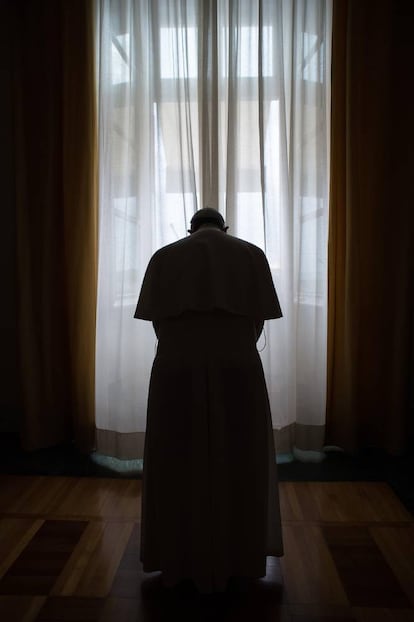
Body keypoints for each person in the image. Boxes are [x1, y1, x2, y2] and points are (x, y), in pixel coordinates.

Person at [134, 207, 284, 594]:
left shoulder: (164, 257)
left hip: (175, 367)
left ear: (191, 227)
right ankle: (239, 556)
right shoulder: (251, 254)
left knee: (177, 460)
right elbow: (258, 321)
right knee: (240, 460)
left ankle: (178, 556)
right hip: (238, 365)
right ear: (224, 226)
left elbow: (157, 322)